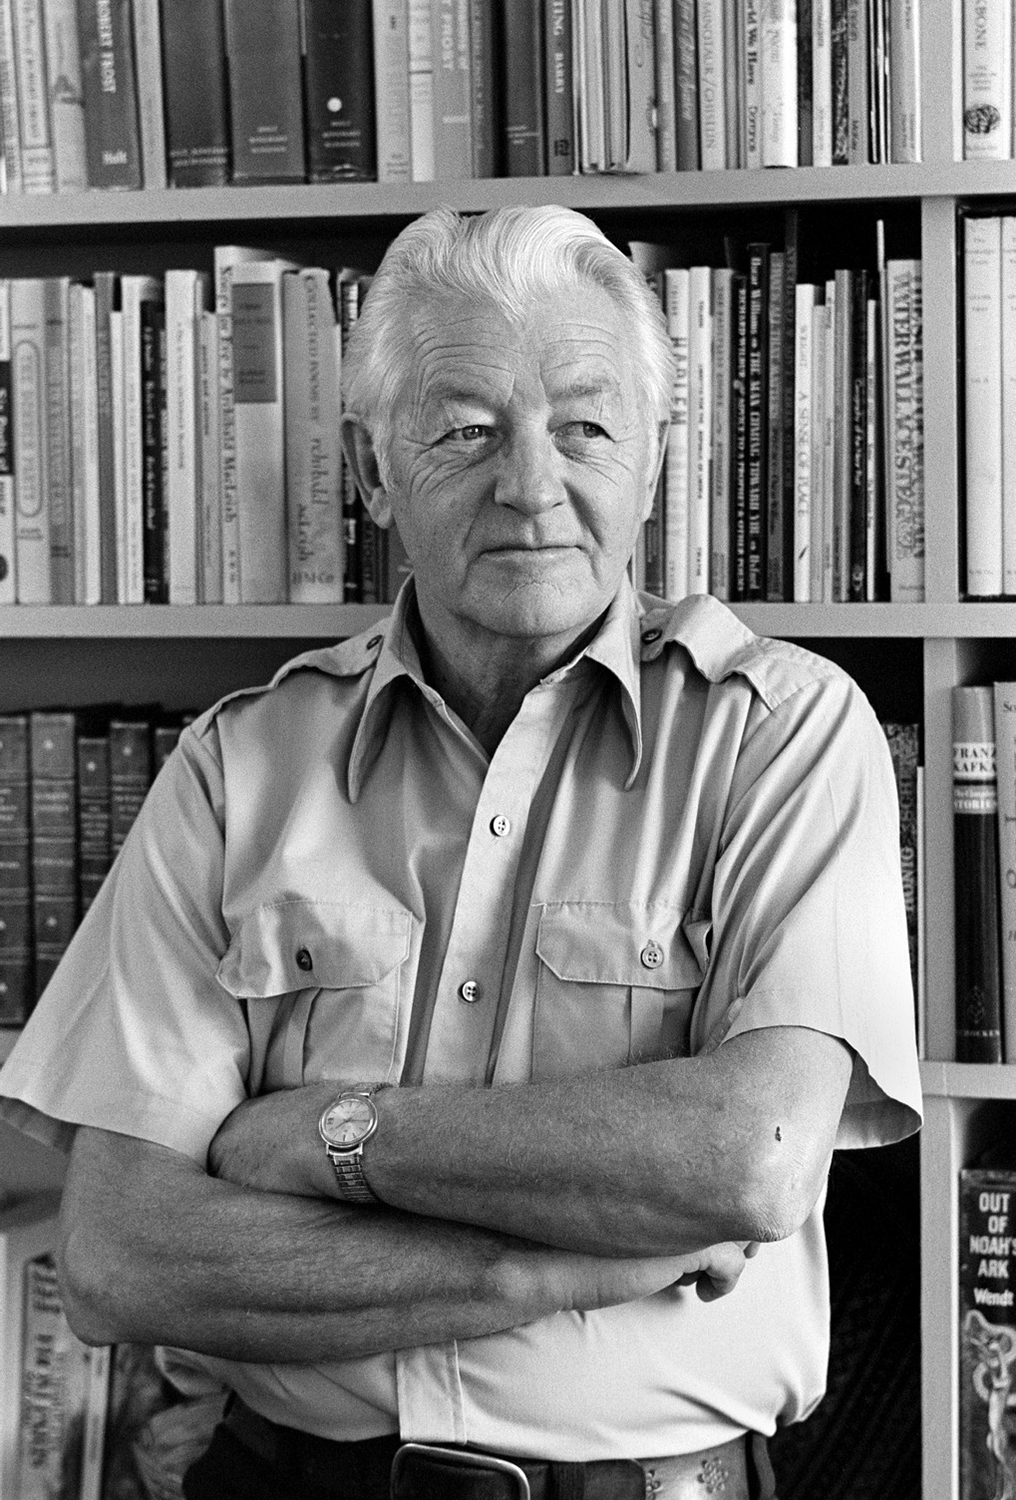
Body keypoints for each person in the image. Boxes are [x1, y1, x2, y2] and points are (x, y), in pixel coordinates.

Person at [0, 204, 922, 1500]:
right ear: (376, 473)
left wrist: (327, 1134)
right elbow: (119, 1252)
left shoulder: (784, 740)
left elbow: (747, 1160)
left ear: (652, 463)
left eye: (585, 427)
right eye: (465, 430)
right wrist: (531, 1269)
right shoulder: (236, 769)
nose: (532, 485)